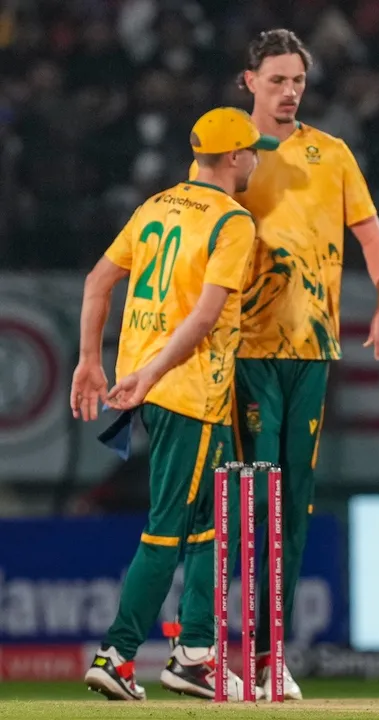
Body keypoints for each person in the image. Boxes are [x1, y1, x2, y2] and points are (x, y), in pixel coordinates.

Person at [180, 29, 379, 700]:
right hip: (244, 351)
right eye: (277, 80)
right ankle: (205, 647)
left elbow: (371, 233)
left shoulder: (330, 153)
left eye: (298, 82)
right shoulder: (231, 157)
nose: (289, 92)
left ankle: (267, 654)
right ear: (248, 82)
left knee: (293, 505)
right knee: (248, 501)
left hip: (310, 350)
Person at [73, 107, 275, 701]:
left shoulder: (155, 205)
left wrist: (91, 360)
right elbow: (207, 315)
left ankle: (193, 654)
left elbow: (96, 282)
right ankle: (117, 653)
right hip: (186, 392)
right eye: (253, 151)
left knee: (216, 525)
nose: (256, 159)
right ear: (235, 158)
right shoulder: (233, 222)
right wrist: (153, 372)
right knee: (166, 529)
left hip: (171, 393)